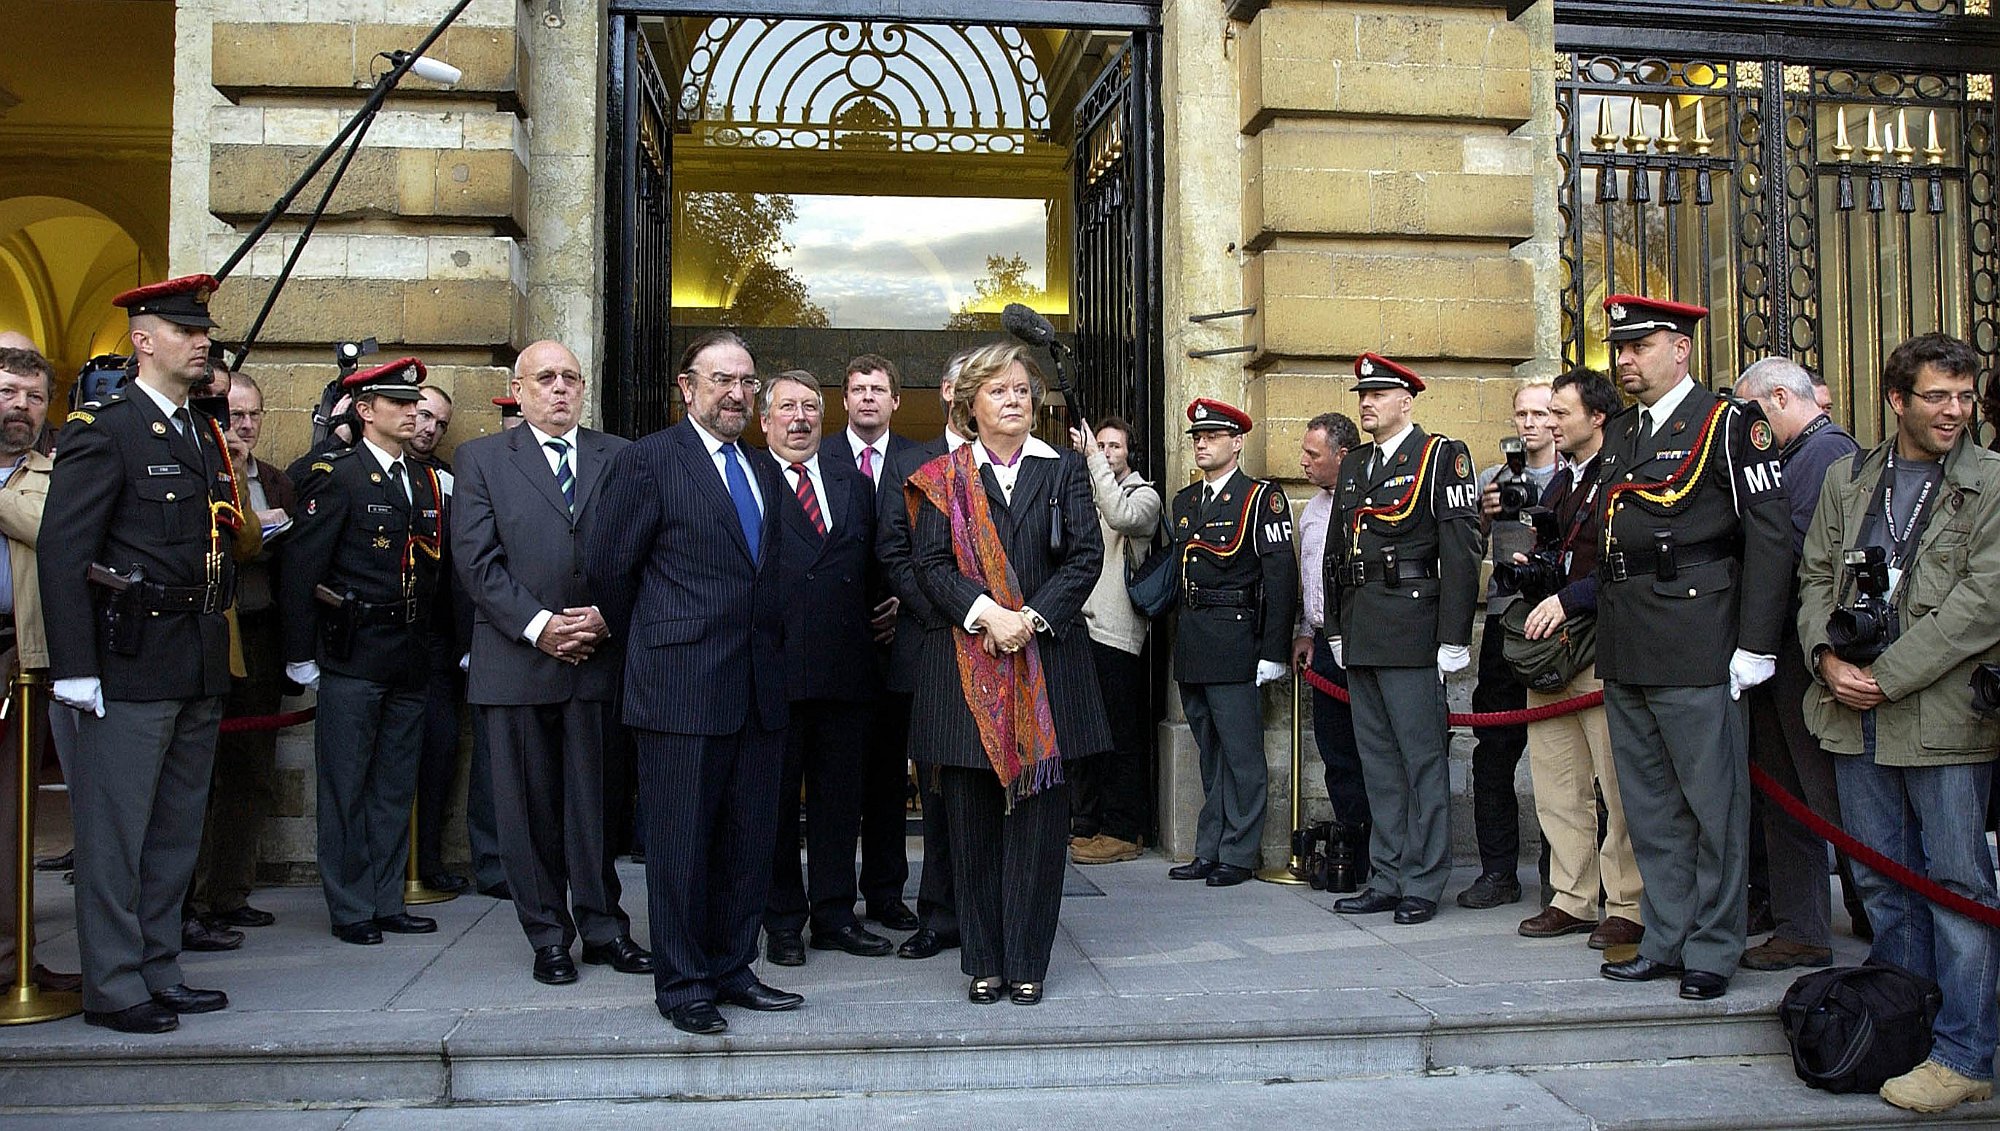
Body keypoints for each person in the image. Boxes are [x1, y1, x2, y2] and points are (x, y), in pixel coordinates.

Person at [1798, 333, 2000, 1115]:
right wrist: (1826, 658)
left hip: (1942, 716)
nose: (1954, 410)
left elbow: (1981, 605)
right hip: (1855, 714)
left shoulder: (1990, 483)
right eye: (1937, 396)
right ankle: (1905, 1025)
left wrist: (1888, 675)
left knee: (1955, 884)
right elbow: (1817, 574)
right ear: (1897, 400)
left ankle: (1965, 1050)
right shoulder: (1852, 477)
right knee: (1881, 880)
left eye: (1964, 396)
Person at [41, 274, 242, 1033]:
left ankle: (160, 964)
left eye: (206, 333)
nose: (203, 343)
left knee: (173, 830)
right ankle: (115, 982)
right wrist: (76, 668)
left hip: (191, 651)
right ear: (143, 338)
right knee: (115, 832)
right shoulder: (108, 426)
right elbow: (65, 553)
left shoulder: (197, 428)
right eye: (187, 331)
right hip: (128, 658)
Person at [586, 330, 799, 1036]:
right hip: (680, 686)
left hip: (757, 689)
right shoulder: (648, 462)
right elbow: (609, 568)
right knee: (680, 844)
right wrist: (660, 641)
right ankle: (683, 984)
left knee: (749, 839)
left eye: (746, 380)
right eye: (721, 380)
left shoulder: (766, 470)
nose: (736, 393)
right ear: (687, 387)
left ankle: (734, 966)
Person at [1592, 294, 1791, 1002]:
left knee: (1712, 806)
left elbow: (1769, 534)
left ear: (1680, 348)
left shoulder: (1728, 423)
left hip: (1699, 634)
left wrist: (1756, 643)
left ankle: (1713, 944)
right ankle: (1666, 936)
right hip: (1629, 637)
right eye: (1619, 348)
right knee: (1648, 806)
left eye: (1638, 346)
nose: (1624, 360)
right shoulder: (1622, 432)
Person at [905, 341, 1107, 1004]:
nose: (1015, 399)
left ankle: (1028, 962)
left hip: (1048, 670)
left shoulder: (1066, 470)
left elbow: (1085, 557)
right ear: (970, 405)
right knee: (970, 824)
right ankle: (984, 961)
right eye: (999, 390)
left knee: (1042, 827)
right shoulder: (942, 477)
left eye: (1023, 389)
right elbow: (931, 566)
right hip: (967, 677)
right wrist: (990, 613)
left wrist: (1032, 618)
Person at [453, 340, 648, 986]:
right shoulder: (481, 459)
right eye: (546, 377)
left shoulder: (618, 456)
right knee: (526, 811)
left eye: (570, 377)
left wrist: (604, 614)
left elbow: (636, 552)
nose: (559, 388)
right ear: (520, 387)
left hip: (595, 658)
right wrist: (540, 628)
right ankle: (547, 935)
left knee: (594, 806)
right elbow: (478, 563)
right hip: (516, 663)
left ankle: (603, 926)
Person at [279, 357, 446, 946]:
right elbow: (302, 567)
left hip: (406, 650)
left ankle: (385, 895)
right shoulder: (338, 474)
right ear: (365, 410)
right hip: (353, 649)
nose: (412, 413)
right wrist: (300, 654)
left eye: (415, 404)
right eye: (399, 404)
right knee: (347, 784)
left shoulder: (423, 479)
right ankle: (351, 905)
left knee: (394, 783)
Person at [1326, 354, 1480, 926]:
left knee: (1421, 764)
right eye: (1363, 395)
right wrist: (1337, 628)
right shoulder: (1357, 464)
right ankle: (1386, 873)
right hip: (1364, 626)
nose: (1367, 403)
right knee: (1379, 765)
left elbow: (1461, 551)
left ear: (1406, 401)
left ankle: (1423, 877)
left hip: (1414, 628)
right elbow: (1336, 554)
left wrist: (1453, 637)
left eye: (1380, 394)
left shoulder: (1440, 456)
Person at [757, 370, 892, 963]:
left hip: (845, 669)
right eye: (787, 407)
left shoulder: (852, 482)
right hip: (775, 671)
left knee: (840, 803)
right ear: (765, 421)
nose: (800, 418)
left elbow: (873, 564)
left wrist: (889, 602)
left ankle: (834, 915)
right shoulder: (749, 478)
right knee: (779, 805)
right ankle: (783, 921)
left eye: (810, 407)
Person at [1732, 357, 1862, 972]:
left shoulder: (1826, 452)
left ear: (1780, 397)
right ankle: (1802, 925)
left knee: (1820, 795)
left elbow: (1801, 551)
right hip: (1776, 652)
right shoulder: (1798, 454)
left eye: (1752, 412)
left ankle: (1857, 916)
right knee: (1787, 795)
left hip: (1801, 652)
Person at [1511, 367, 1644, 950]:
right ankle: (1572, 896)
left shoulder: (1622, 475)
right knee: (1557, 782)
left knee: (1615, 785)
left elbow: (1622, 566)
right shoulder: (1562, 484)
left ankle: (1629, 902)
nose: (1551, 424)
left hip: (1599, 646)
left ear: (1597, 417)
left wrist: (1566, 598)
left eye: (1561, 413)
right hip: (1554, 650)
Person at [183, 371, 295, 944]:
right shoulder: (199, 471)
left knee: (251, 771)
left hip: (260, 632)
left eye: (251, 415)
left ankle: (230, 890)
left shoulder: (275, 481)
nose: (242, 425)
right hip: (206, 630)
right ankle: (189, 901)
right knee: (194, 773)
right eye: (231, 414)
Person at [1167, 398, 1297, 888]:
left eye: (1213, 436)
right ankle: (1210, 847)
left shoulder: (1261, 498)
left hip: (1238, 639)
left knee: (1242, 755)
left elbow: (1281, 578)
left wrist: (1273, 650)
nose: (1202, 443)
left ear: (1237, 442)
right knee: (1210, 754)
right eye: (1197, 437)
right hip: (1196, 641)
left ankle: (1239, 854)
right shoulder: (1185, 502)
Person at [821, 353, 923, 933]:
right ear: (844, 400)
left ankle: (886, 893)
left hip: (899, 643)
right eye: (857, 388)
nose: (867, 398)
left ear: (895, 400)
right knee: (837, 782)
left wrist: (901, 606)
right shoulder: (820, 455)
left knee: (888, 777)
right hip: (838, 643)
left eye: (878, 389)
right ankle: (830, 901)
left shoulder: (919, 460)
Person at [875, 353, 972, 961]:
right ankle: (938, 914)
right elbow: (894, 550)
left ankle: (992, 905)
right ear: (944, 391)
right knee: (936, 789)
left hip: (1002, 651)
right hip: (934, 645)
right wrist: (946, 613)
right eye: (966, 383)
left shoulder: (1017, 462)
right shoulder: (912, 463)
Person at [1460, 381, 1556, 910]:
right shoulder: (1492, 480)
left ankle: (1558, 874)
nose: (1530, 423)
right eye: (1521, 413)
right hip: (1503, 619)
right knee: (1494, 751)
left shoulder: (1578, 474)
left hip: (1558, 622)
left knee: (1560, 757)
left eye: (1540, 413)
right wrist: (1486, 514)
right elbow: (1465, 550)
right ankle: (1498, 872)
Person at [0, 346, 77, 996]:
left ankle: (12, 951)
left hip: (17, 659)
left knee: (10, 817)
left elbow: (58, 531)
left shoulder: (58, 473)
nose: (19, 407)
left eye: (32, 396)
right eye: (6, 391)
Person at [1066, 414, 1161, 865]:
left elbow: (1120, 514)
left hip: (1117, 634)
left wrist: (1090, 460)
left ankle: (1124, 828)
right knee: (1086, 735)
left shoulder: (1145, 496)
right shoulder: (1085, 491)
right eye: (1098, 445)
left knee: (1121, 736)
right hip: (1079, 629)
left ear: (1130, 453)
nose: (1104, 453)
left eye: (1114, 447)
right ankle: (1090, 821)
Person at [1291, 411, 1371, 870]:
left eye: (1312, 454)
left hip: (1363, 643)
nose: (1302, 461)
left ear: (1342, 455)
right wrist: (1305, 631)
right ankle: (1352, 853)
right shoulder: (1312, 510)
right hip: (1323, 644)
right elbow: (1309, 579)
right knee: (1336, 753)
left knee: (1372, 755)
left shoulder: (1365, 501)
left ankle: (1382, 851)